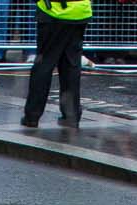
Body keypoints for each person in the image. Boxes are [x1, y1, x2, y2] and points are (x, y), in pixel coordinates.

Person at [22, 0, 89, 128]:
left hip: (52, 12)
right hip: (80, 12)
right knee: (71, 66)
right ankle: (71, 116)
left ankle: (32, 115)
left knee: (43, 66)